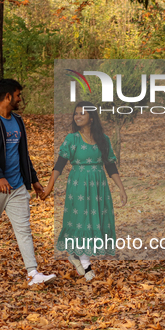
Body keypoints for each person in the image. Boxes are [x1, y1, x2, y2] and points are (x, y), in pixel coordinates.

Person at [0, 79, 57, 287]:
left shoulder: (18, 121)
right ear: (8, 96)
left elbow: (23, 155)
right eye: (18, 95)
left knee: (24, 230)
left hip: (17, 187)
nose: (21, 99)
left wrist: (34, 180)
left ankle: (32, 273)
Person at [41, 101, 127, 281]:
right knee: (82, 222)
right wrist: (49, 187)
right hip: (78, 185)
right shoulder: (72, 139)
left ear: (92, 118)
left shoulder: (103, 140)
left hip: (98, 186)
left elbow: (110, 166)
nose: (77, 116)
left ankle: (76, 254)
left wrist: (121, 188)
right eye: (76, 113)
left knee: (95, 221)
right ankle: (87, 267)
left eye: (82, 113)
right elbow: (59, 165)